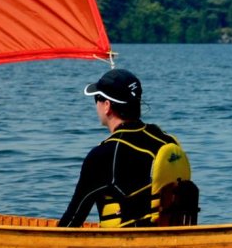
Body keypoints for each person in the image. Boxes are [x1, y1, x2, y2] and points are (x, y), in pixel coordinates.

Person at [57, 68, 187, 228]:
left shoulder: (103, 155)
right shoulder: (165, 139)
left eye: (96, 99)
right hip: (171, 233)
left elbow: (73, 220)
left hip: (127, 240)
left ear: (107, 105)